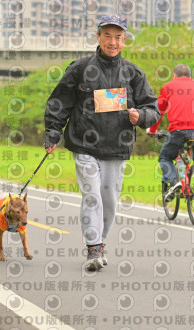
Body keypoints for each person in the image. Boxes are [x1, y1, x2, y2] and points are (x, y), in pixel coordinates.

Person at [44, 15, 160, 271]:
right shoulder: (80, 68)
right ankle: (93, 246)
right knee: (92, 195)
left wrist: (141, 116)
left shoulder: (133, 73)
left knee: (109, 200)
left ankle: (100, 241)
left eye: (118, 37)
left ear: (124, 41)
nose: (112, 42)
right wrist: (53, 132)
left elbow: (153, 109)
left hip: (116, 146)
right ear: (98, 37)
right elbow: (59, 102)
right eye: (107, 36)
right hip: (84, 144)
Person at [146, 64, 194, 201]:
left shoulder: (168, 87)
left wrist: (152, 130)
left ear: (174, 76)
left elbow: (159, 111)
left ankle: (174, 182)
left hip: (179, 130)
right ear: (190, 76)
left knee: (165, 158)